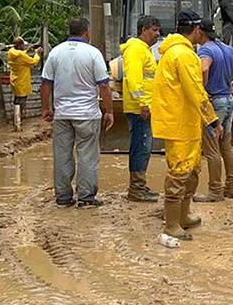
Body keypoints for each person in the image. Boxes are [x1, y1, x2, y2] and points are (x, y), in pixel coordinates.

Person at [151, 10, 220, 240]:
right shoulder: (184, 55)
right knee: (180, 172)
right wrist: (213, 119)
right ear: (197, 30)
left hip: (181, 122)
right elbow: (196, 91)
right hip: (180, 123)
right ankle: (171, 224)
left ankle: (183, 215)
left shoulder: (172, 52)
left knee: (191, 170)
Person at [40, 17, 114, 208]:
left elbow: (46, 84)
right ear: (87, 32)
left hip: (62, 115)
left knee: (62, 155)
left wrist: (46, 109)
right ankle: (86, 198)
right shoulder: (93, 53)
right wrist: (109, 111)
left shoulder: (55, 53)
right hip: (87, 115)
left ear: (69, 32)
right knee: (87, 156)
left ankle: (63, 198)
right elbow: (104, 86)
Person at [194, 19, 233, 202]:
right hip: (229, 101)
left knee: (211, 149)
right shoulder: (228, 49)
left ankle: (215, 190)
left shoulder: (206, 50)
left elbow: (204, 67)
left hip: (214, 102)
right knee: (226, 145)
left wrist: (203, 90)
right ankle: (231, 187)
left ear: (200, 32)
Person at [121, 15, 161, 202]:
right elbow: (134, 78)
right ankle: (136, 189)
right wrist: (143, 103)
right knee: (141, 147)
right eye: (154, 29)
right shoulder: (136, 49)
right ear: (143, 30)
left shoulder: (143, 50)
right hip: (140, 108)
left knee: (144, 147)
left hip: (144, 106)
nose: (157, 34)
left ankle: (140, 185)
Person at [8, 37, 43, 131]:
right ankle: (18, 124)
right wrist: (37, 54)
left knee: (16, 101)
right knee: (21, 102)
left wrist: (27, 50)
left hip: (15, 80)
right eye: (23, 45)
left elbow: (20, 55)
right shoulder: (21, 56)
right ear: (19, 45)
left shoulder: (11, 52)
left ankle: (16, 122)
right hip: (22, 81)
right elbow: (33, 62)